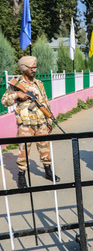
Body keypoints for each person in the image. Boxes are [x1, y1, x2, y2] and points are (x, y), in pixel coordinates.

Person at [1, 56, 60, 188]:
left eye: (35, 67)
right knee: (24, 150)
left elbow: (44, 101)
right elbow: (4, 101)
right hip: (26, 124)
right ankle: (21, 175)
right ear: (24, 68)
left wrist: (49, 118)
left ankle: (48, 171)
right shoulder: (16, 84)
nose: (34, 70)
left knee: (45, 147)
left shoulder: (39, 84)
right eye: (31, 68)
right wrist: (17, 95)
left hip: (41, 122)